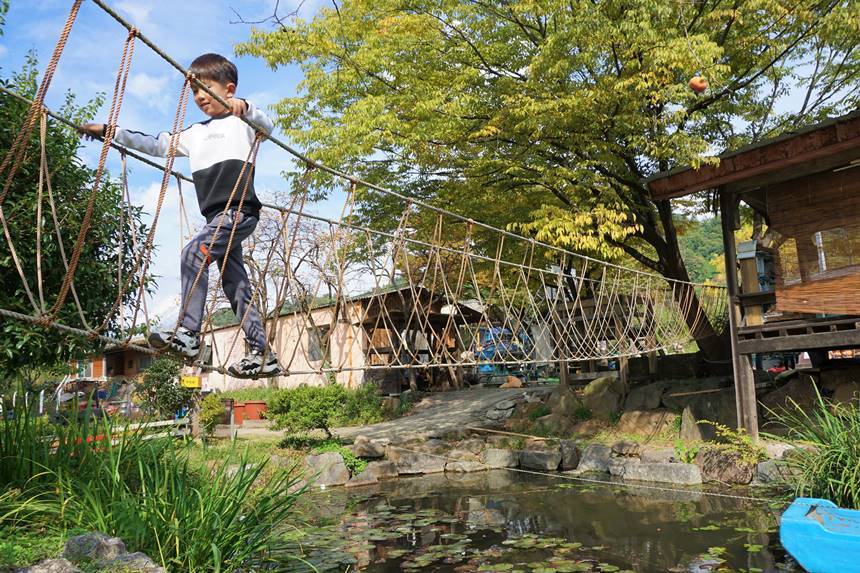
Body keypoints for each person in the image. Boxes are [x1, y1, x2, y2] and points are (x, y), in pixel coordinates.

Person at [79, 53, 282, 379]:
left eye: (207, 88)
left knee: (194, 253)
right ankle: (262, 354)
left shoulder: (242, 123)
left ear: (228, 89)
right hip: (216, 219)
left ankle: (188, 332)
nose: (200, 96)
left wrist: (244, 107)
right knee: (235, 284)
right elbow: (155, 145)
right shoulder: (194, 134)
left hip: (239, 212)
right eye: (194, 91)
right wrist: (109, 131)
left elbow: (266, 126)